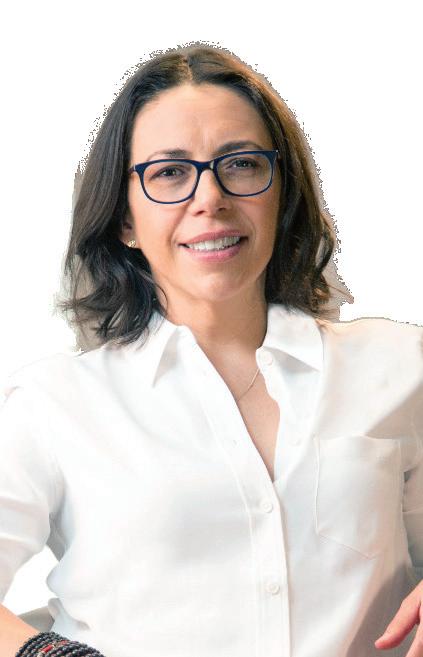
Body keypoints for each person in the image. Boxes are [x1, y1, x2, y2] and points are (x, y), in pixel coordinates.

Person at [0, 43, 422, 657]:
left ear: (281, 193)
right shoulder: (53, 405)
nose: (210, 198)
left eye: (242, 164)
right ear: (124, 219)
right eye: (170, 173)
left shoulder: (399, 367)